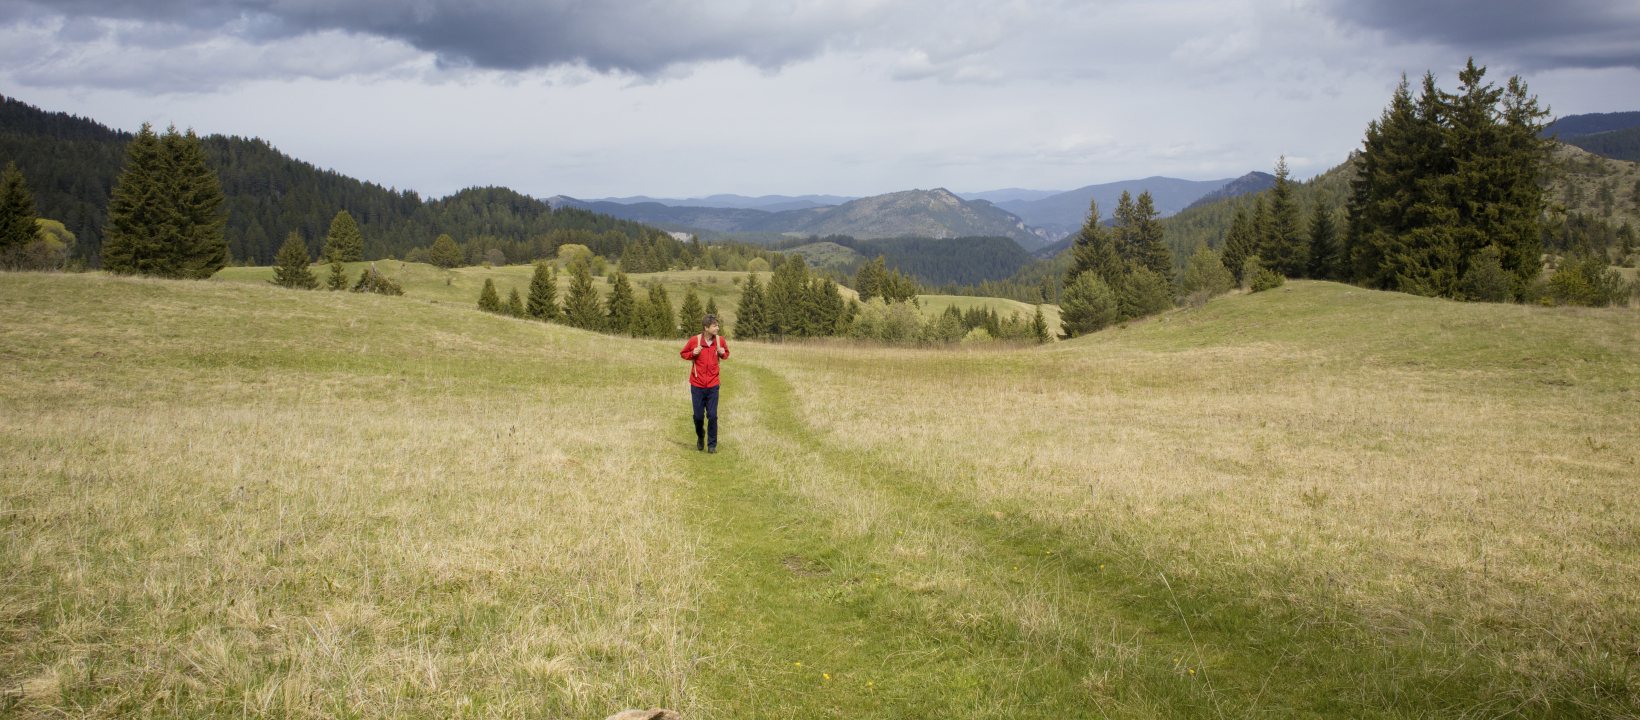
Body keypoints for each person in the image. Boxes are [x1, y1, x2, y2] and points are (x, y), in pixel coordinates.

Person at [680, 314, 729, 452]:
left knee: (713, 415)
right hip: (697, 385)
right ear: (706, 327)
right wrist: (693, 353)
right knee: (698, 416)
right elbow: (683, 353)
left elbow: (726, 354)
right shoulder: (694, 340)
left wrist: (722, 352)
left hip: (713, 384)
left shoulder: (720, 340)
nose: (717, 328)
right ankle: (700, 436)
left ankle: (712, 445)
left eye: (717, 325)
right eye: (714, 326)